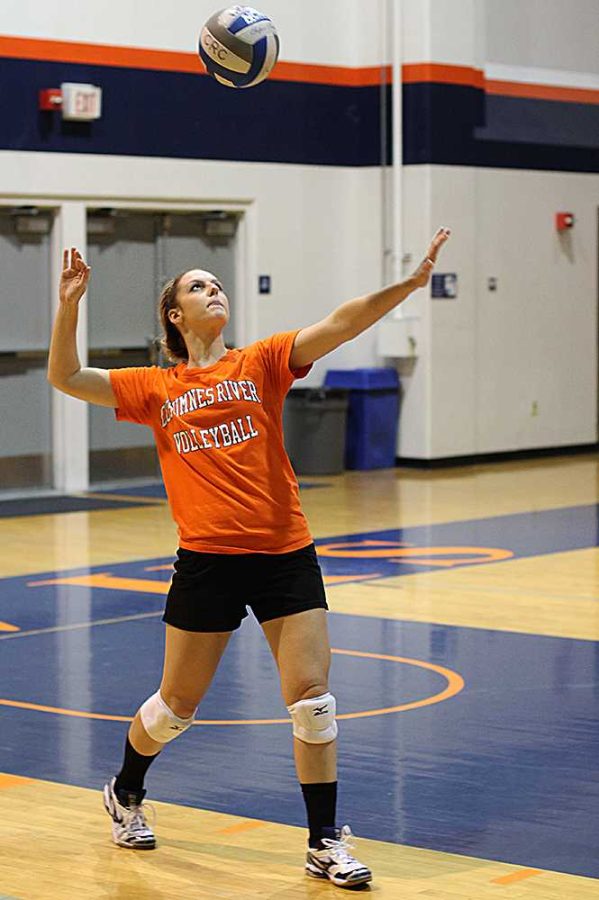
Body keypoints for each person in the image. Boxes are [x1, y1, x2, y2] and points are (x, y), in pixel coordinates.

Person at [47, 227, 450, 889]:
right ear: (176, 316)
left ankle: (323, 843)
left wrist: (404, 287)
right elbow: (63, 376)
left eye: (218, 283)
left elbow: (340, 323)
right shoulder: (154, 387)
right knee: (174, 708)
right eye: (199, 286)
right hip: (207, 561)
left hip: (284, 552)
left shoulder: (261, 361)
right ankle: (124, 790)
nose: (215, 290)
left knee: (313, 702)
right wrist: (70, 305)